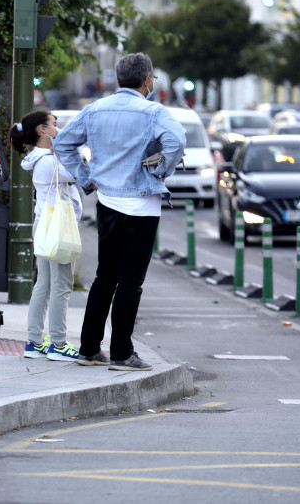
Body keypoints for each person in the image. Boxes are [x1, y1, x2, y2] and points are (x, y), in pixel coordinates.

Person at [54, 52, 187, 371]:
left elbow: (63, 145)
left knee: (105, 275)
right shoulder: (153, 111)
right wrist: (158, 170)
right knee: (131, 280)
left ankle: (88, 348)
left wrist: (87, 179)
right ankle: (123, 353)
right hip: (142, 203)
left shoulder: (95, 109)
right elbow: (177, 142)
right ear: (146, 81)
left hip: (108, 201)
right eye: (152, 78)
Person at [8, 111, 82, 361]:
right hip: (58, 228)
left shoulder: (39, 159)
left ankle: (35, 341)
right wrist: (67, 143)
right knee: (61, 286)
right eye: (55, 125)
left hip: (44, 225)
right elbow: (81, 173)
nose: (58, 129)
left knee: (44, 284)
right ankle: (59, 344)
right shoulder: (51, 162)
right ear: (43, 129)